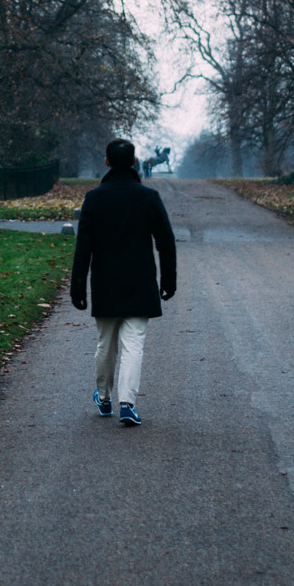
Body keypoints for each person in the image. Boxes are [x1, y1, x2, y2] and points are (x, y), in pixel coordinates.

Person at [70, 138, 176, 426]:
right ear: (133, 162)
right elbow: (165, 242)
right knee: (133, 344)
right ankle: (127, 402)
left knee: (106, 344)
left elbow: (83, 248)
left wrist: (77, 286)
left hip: (105, 281)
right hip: (140, 281)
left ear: (106, 162)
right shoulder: (148, 198)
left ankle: (104, 398)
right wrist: (169, 280)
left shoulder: (94, 198)